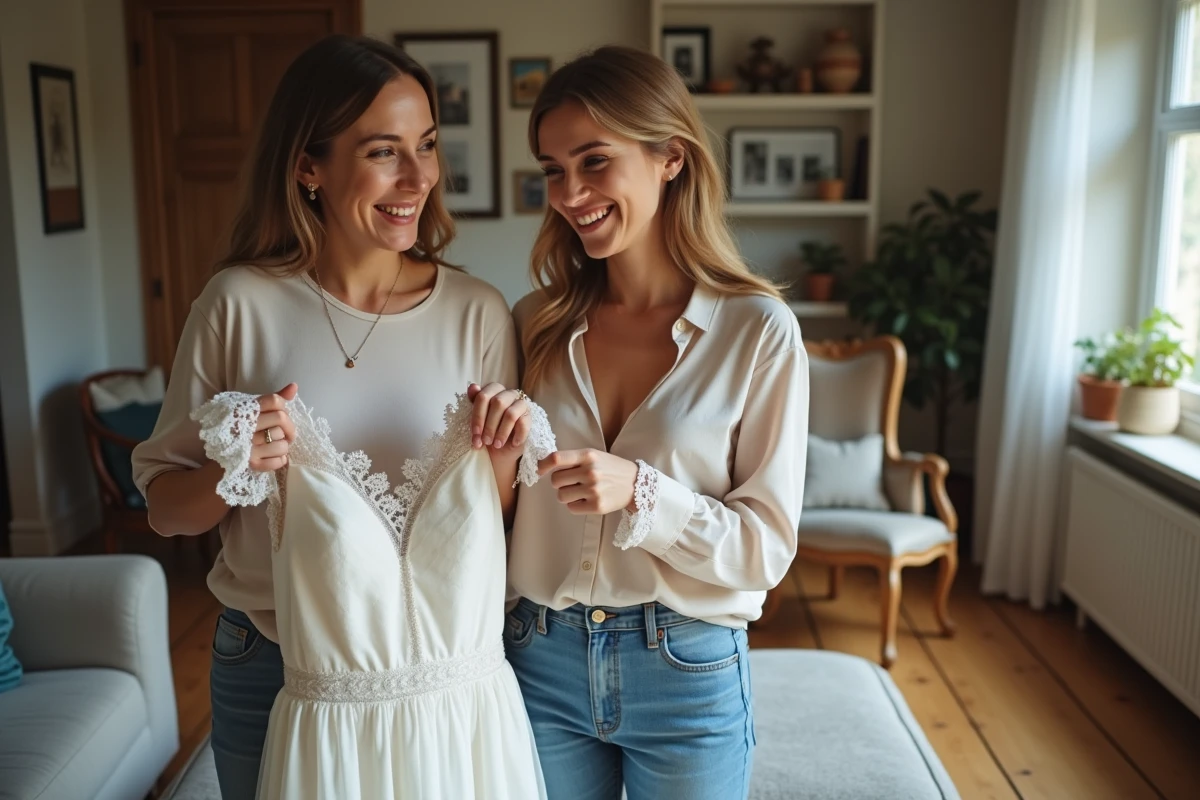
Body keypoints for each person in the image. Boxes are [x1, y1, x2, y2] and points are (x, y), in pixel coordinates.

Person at [132, 34, 540, 799]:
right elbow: (163, 511)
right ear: (307, 166)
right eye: (384, 151)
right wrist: (236, 470)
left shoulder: (477, 314)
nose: (418, 177)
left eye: (426, 145)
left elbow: (501, 518)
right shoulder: (237, 306)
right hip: (274, 667)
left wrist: (501, 461)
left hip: (445, 681)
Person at [504, 46, 810, 800]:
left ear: (670, 157)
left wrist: (644, 491)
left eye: (594, 162)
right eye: (552, 169)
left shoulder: (758, 331)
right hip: (535, 659)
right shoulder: (531, 324)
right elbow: (495, 508)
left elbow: (763, 551)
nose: (570, 192)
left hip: (687, 667)